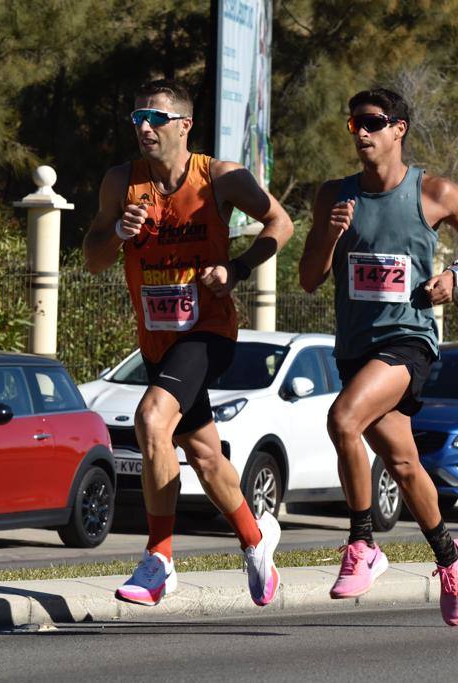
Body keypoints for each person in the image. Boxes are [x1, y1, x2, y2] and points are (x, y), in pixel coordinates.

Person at [83, 79, 293, 608]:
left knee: (152, 418)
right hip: (158, 341)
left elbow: (281, 222)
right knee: (202, 453)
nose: (145, 127)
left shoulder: (220, 177)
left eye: (156, 118)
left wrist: (238, 268)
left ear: (185, 125)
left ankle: (159, 559)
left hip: (209, 330)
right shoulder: (121, 182)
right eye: (138, 118)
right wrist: (120, 234)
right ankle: (255, 538)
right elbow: (93, 258)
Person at [300, 88, 458, 626]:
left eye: (372, 122)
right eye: (354, 124)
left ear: (398, 129)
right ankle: (451, 557)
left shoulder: (433, 192)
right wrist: (330, 234)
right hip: (356, 348)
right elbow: (309, 278)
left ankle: (362, 544)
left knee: (343, 418)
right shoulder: (335, 196)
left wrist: (455, 274)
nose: (361, 133)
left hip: (409, 341)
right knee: (405, 465)